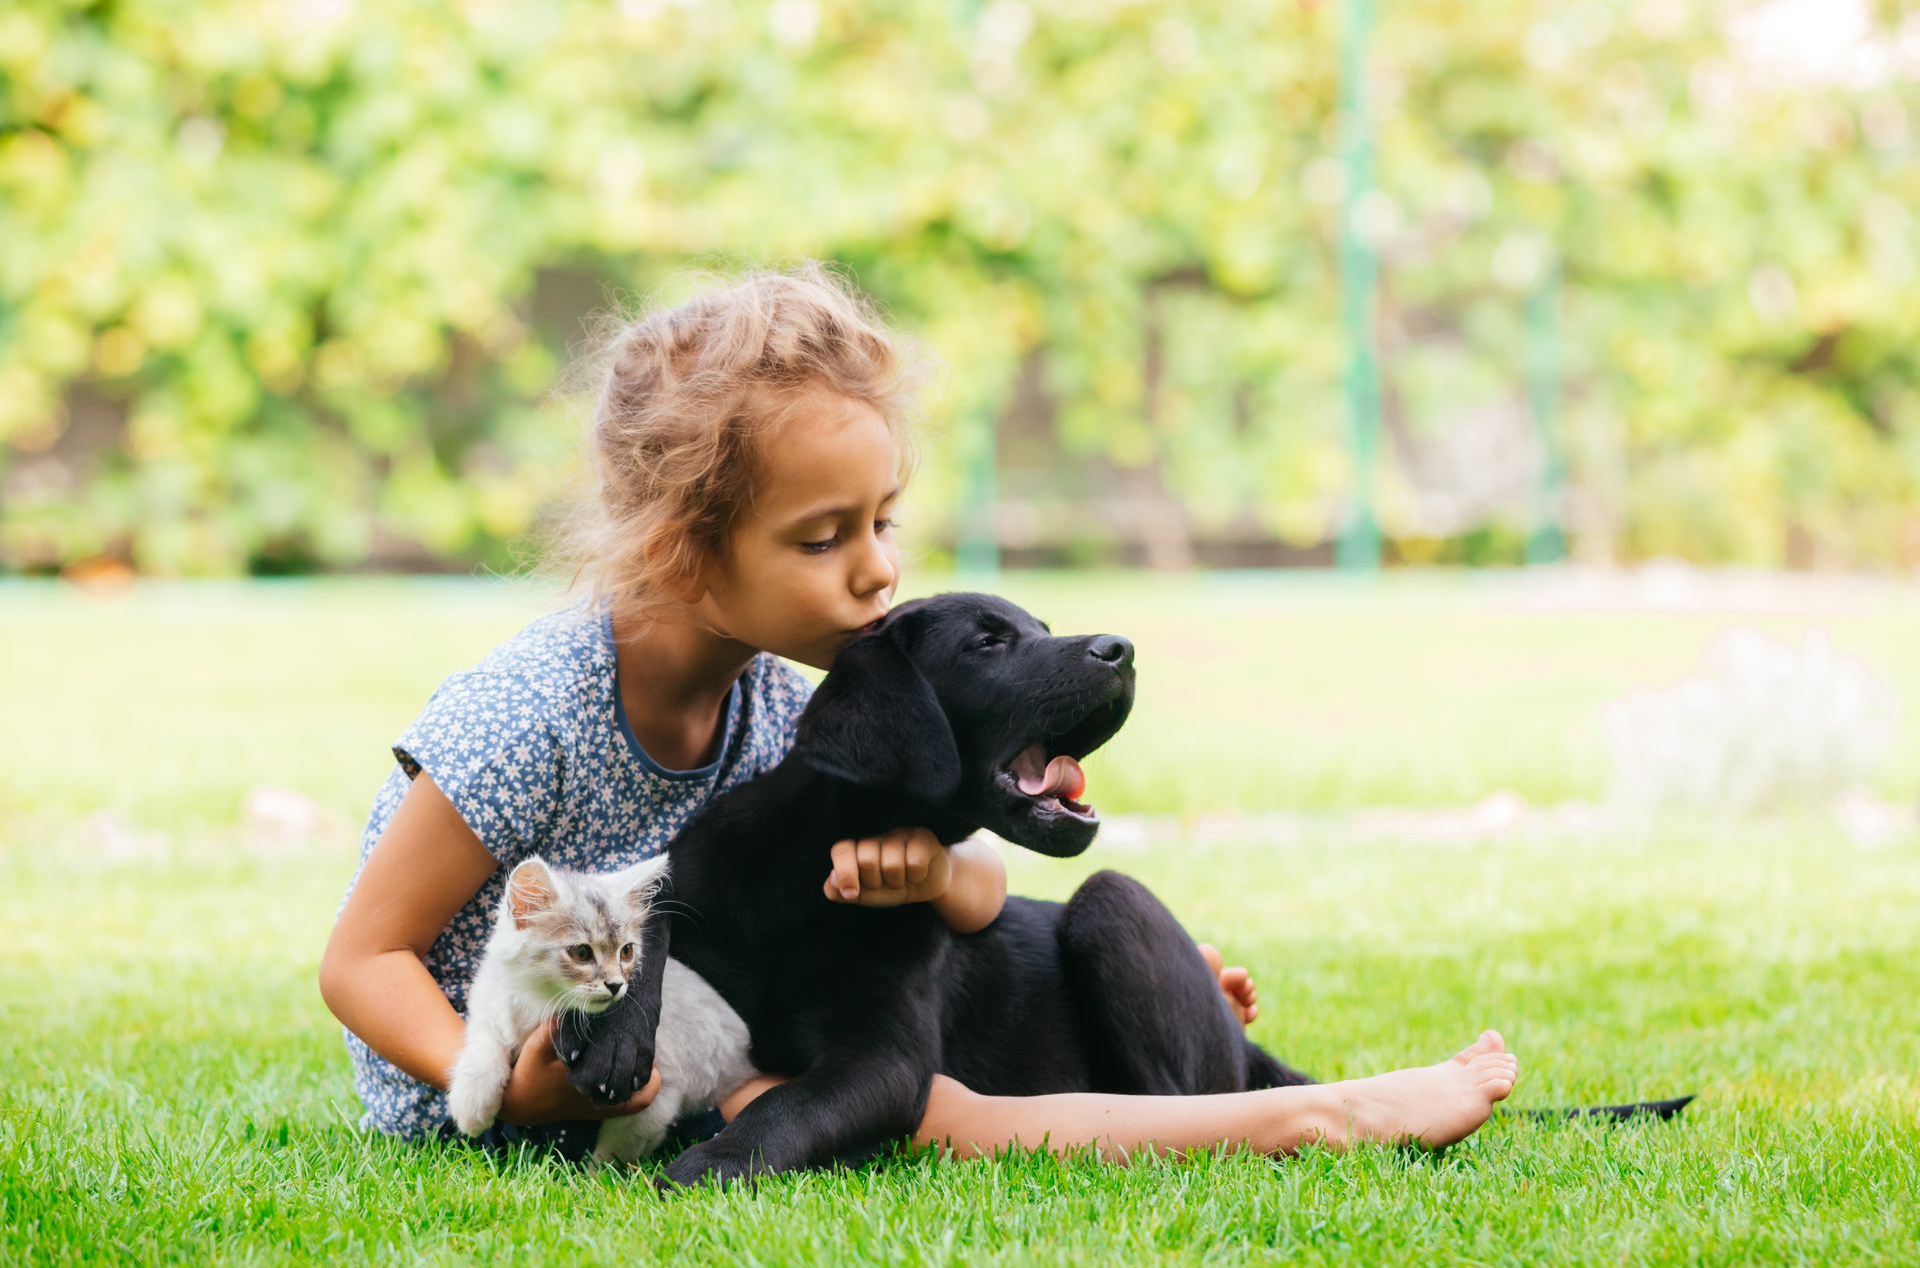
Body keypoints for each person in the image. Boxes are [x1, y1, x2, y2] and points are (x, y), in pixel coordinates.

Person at [317, 262, 1519, 1168]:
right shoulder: (534, 711)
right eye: (823, 537)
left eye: (883, 520)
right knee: (915, 1105)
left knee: (896, 1092)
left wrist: (940, 883)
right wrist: (494, 1084)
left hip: (679, 1059)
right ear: (682, 550)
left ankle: (1302, 1104)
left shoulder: (786, 706)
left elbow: (978, 886)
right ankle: (1314, 1113)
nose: (878, 571)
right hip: (488, 1079)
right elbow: (361, 956)